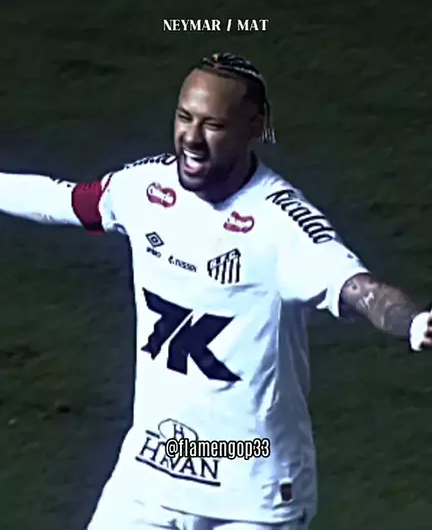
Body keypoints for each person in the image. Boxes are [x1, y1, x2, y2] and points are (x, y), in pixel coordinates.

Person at [0, 52, 431, 530]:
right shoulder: (145, 190)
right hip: (152, 475)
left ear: (254, 127)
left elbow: (358, 289)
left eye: (214, 125)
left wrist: (414, 322)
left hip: (254, 494)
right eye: (185, 117)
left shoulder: (280, 225)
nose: (191, 137)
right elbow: (65, 199)